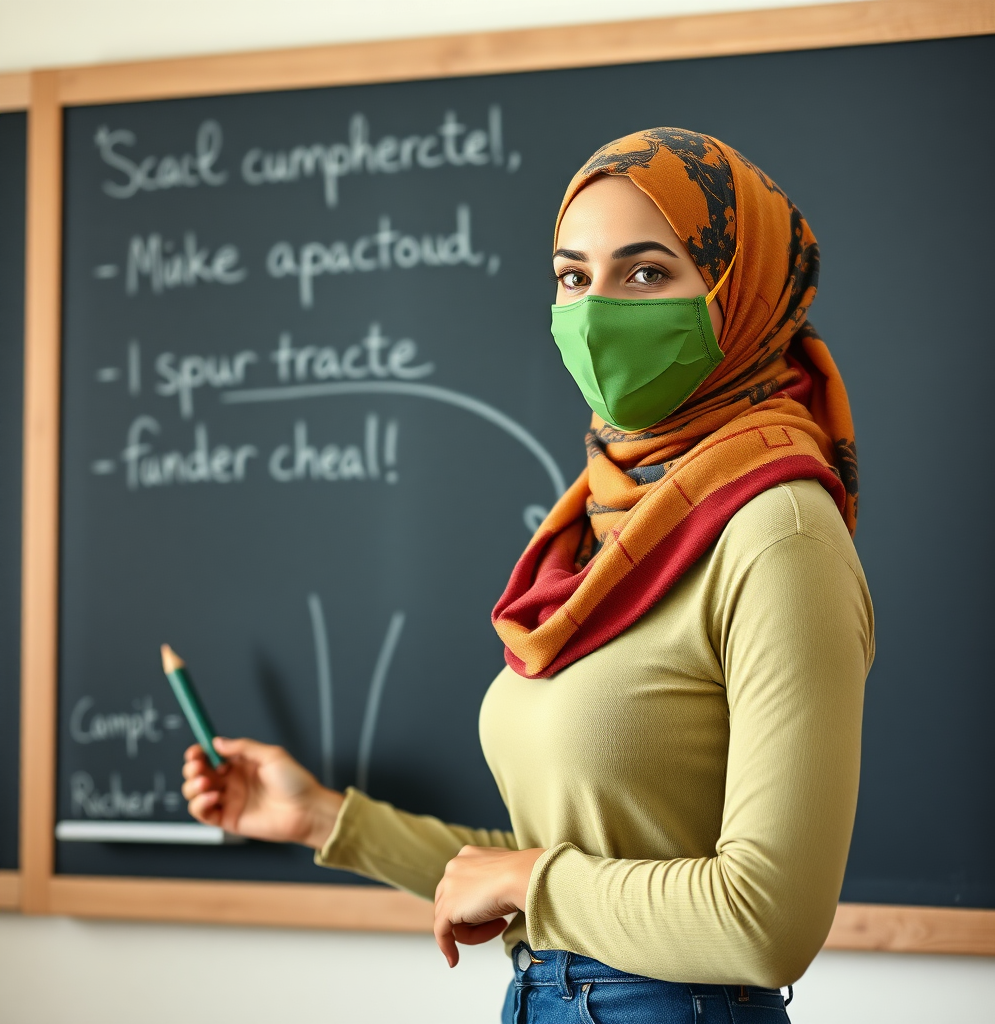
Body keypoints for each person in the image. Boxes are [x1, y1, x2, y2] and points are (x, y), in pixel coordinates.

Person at [182, 127, 873, 1024]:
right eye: (573, 277)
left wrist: (528, 879)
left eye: (647, 273)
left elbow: (765, 922)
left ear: (739, 291)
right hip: (551, 996)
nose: (594, 312)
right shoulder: (613, 519)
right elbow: (555, 869)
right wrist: (318, 819)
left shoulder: (777, 532)